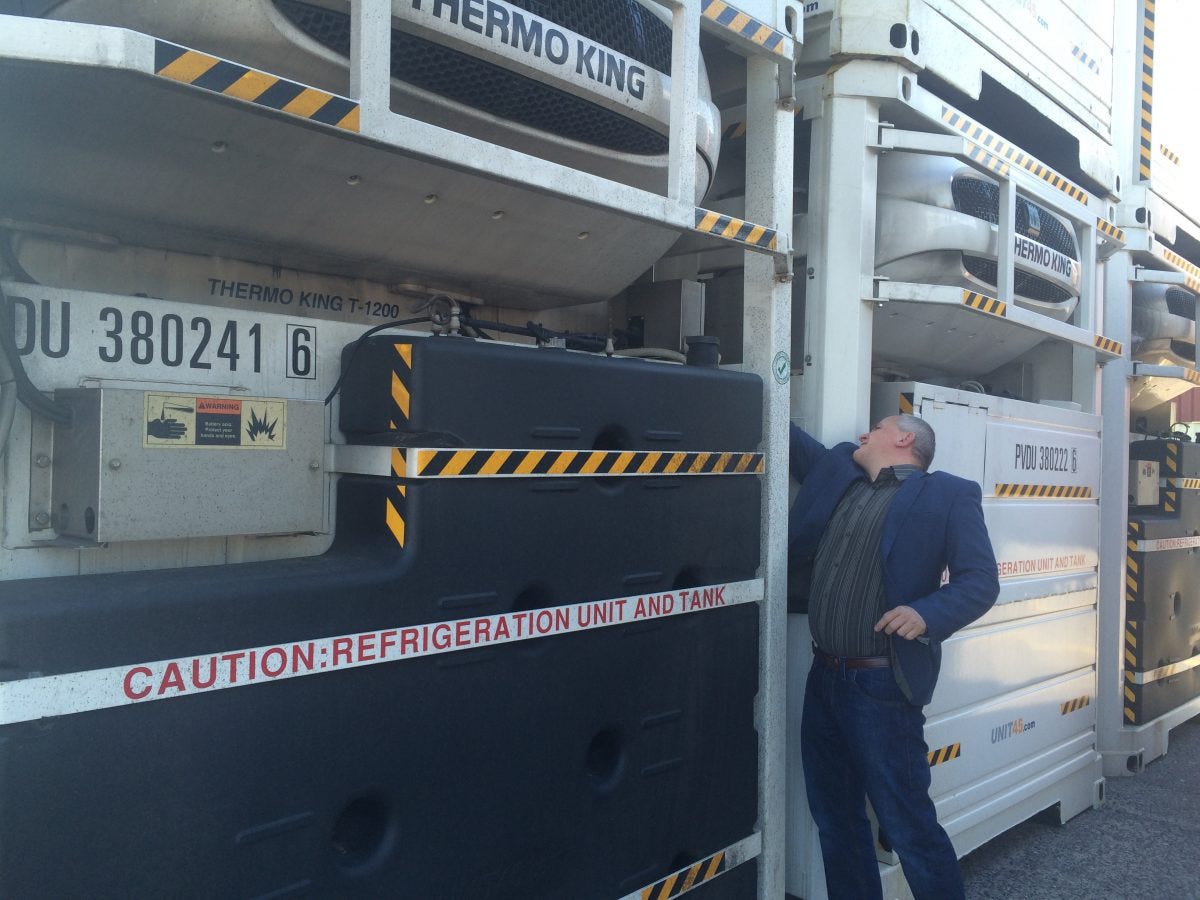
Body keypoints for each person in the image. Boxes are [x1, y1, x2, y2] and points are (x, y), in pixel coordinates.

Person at [789, 413, 999, 900]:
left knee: (909, 827)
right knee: (835, 821)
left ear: (905, 439)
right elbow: (788, 434)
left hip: (881, 688)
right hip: (823, 678)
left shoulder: (947, 494)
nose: (863, 434)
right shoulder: (840, 475)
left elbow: (980, 581)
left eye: (877, 428)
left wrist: (926, 614)